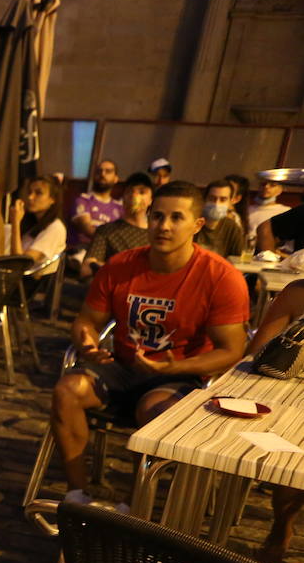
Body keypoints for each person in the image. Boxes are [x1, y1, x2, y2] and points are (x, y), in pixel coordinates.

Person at [50, 180, 249, 506]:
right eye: (157, 216)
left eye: (176, 218)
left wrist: (173, 366)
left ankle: (134, 505)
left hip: (182, 373)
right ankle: (77, 494)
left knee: (154, 409)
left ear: (197, 224)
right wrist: (87, 346)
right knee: (66, 390)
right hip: (124, 367)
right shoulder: (121, 266)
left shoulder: (220, 277)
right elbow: (87, 321)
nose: (164, 226)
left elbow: (232, 351)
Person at [244, 280, 304, 563]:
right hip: (289, 401)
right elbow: (255, 356)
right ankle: (282, 527)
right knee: (291, 451)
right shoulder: (297, 293)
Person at [82, 171, 153, 280]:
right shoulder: (107, 231)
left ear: (151, 200)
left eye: (142, 192)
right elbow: (87, 267)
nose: (135, 196)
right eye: (130, 192)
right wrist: (121, 269)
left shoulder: (156, 232)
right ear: (123, 197)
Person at [9, 175, 67, 267]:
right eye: (29, 192)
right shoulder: (33, 224)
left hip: (31, 280)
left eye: (38, 193)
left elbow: (20, 264)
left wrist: (15, 222)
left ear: (53, 199)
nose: (30, 197)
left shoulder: (55, 228)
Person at [68, 159, 122, 259]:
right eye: (99, 171)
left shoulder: (120, 208)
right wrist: (112, 243)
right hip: (82, 250)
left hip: (108, 253)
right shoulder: (83, 200)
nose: (102, 174)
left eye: (108, 171)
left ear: (116, 178)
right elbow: (86, 228)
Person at [195, 179, 247, 259]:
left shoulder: (232, 228)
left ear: (231, 202)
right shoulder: (193, 223)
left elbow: (237, 260)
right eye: (212, 198)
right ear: (204, 199)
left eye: (223, 199)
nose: (216, 203)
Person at [247, 176, 289, 249]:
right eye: (263, 184)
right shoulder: (247, 209)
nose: (266, 187)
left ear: (280, 190)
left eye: (272, 185)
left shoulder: (285, 211)